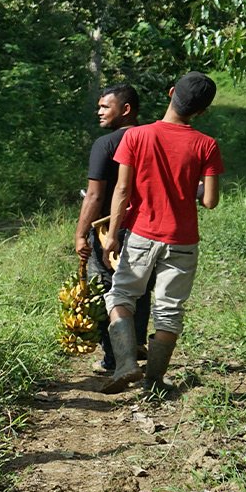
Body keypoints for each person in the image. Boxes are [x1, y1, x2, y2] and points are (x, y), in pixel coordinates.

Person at [100, 71, 223, 394]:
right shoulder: (206, 145)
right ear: (202, 111)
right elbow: (209, 201)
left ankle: (126, 363)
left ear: (171, 93)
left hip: (142, 234)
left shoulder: (137, 137)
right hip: (182, 240)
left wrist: (112, 234)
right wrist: (190, 188)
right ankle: (154, 381)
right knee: (169, 310)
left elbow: (123, 190)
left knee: (121, 295)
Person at [74, 84, 152, 374]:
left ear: (126, 109)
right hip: (147, 229)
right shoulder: (152, 138)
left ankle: (113, 357)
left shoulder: (105, 145)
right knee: (140, 288)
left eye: (105, 106)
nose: (99, 111)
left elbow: (95, 196)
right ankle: (137, 343)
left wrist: (81, 233)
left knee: (107, 289)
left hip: (111, 230)